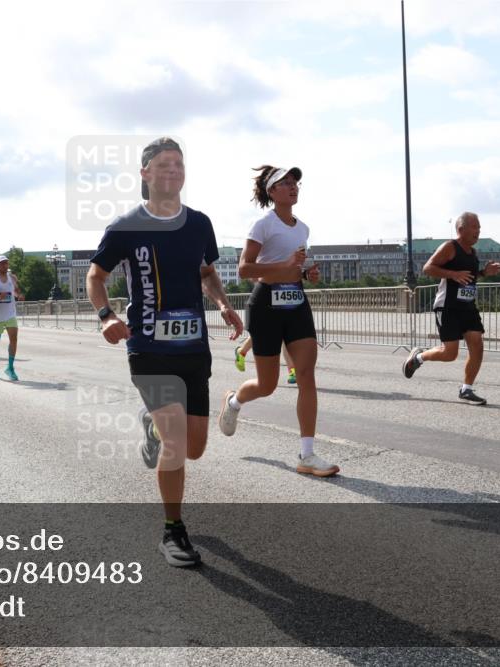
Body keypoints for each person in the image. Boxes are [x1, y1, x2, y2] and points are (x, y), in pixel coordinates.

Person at [87, 137, 243, 567]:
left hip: (193, 347)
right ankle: (173, 531)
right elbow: (95, 276)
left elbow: (207, 272)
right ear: (145, 174)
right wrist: (105, 316)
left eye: (179, 164)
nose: (173, 170)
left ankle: (152, 429)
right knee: (177, 444)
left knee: (194, 448)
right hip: (148, 348)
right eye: (163, 164)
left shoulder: (199, 224)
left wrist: (224, 305)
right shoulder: (125, 227)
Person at [217, 164, 338, 477]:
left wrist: (306, 273)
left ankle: (307, 455)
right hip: (266, 306)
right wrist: (286, 265)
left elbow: (293, 269)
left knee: (307, 374)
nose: (293, 187)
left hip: (296, 302)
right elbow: (245, 269)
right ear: (272, 192)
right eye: (285, 183)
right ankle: (234, 401)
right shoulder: (263, 225)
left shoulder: (302, 228)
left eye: (295, 182)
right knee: (267, 385)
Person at [403, 212, 500, 405]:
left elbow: (469, 277)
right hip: (447, 306)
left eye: (479, 227)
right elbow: (427, 268)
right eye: (474, 227)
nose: (478, 231)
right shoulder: (450, 247)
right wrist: (452, 274)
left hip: (467, 306)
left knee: (477, 345)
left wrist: (484, 272)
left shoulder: (472, 253)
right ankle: (418, 357)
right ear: (461, 229)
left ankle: (466, 389)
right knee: (450, 354)